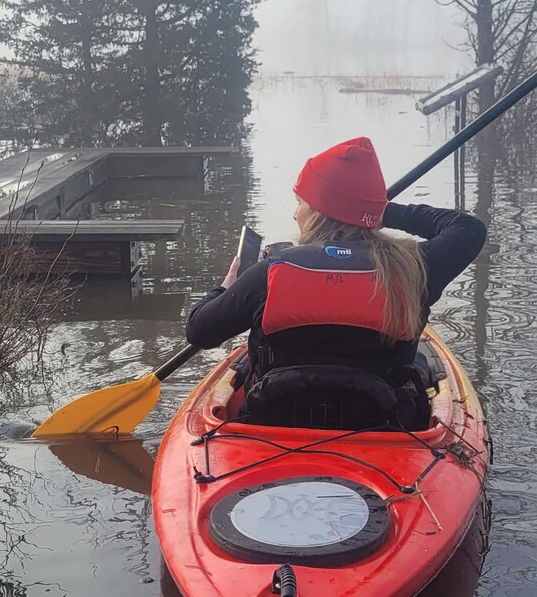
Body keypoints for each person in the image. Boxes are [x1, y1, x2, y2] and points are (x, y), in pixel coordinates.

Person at [185, 136, 487, 428]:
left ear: (320, 212)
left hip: (273, 423)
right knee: (420, 363)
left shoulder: (269, 273)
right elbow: (468, 228)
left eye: (300, 202)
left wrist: (224, 288)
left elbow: (200, 331)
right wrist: (382, 211)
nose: (294, 214)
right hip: (383, 428)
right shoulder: (413, 270)